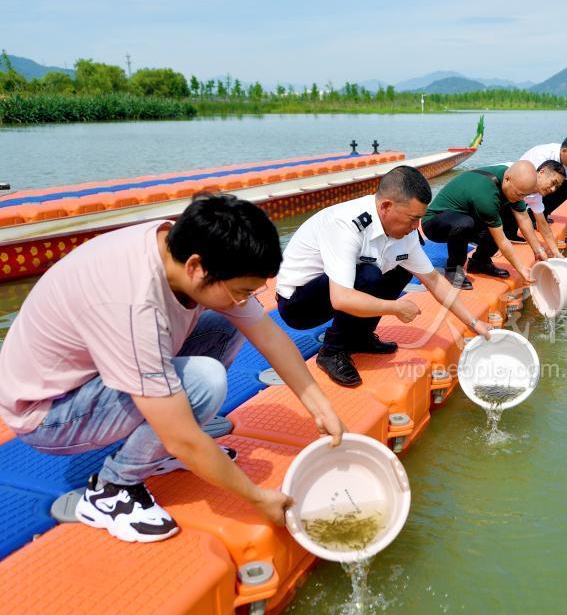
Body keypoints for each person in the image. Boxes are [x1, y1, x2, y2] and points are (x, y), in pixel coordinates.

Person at [0, 193, 347, 544]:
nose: (243, 300)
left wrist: (321, 408)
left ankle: (154, 450)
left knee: (225, 326)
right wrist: (258, 498)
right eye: (240, 291)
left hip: (97, 374)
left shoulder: (178, 246)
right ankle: (112, 488)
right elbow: (182, 436)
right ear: (196, 268)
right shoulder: (133, 304)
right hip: (48, 414)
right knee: (203, 382)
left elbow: (268, 335)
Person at [275, 166, 493, 388]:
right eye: (413, 218)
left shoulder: (406, 232)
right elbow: (341, 299)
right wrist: (394, 308)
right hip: (298, 305)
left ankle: (361, 337)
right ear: (386, 206)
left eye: (419, 218)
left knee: (402, 268)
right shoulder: (346, 224)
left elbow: (434, 280)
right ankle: (332, 351)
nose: (416, 226)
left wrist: (474, 323)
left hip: (336, 291)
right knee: (368, 274)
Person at [421, 160, 546, 290]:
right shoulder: (487, 194)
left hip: (466, 216)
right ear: (507, 179)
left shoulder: (515, 185)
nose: (521, 198)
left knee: (500, 219)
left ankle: (480, 262)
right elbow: (501, 240)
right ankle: (453, 270)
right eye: (519, 194)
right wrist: (522, 269)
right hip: (434, 222)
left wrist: (538, 251)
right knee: (467, 224)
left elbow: (524, 218)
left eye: (525, 195)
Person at [508, 134, 567, 243]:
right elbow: (534, 181)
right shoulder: (543, 155)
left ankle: (535, 216)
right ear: (564, 150)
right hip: (521, 181)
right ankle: (511, 229)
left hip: (539, 188)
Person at [500, 159, 567, 258]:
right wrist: (499, 244)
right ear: (541, 172)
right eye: (553, 182)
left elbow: (543, 224)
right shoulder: (520, 177)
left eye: (557, 187)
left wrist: (556, 253)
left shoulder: (536, 196)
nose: (553, 189)